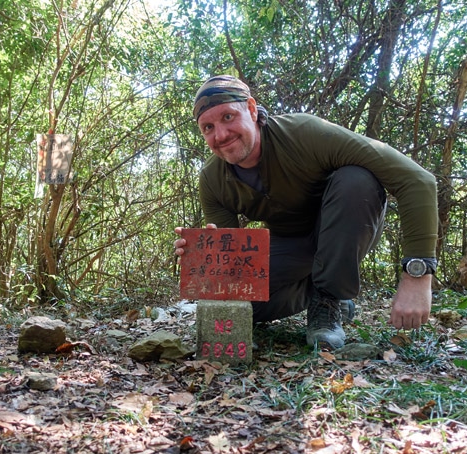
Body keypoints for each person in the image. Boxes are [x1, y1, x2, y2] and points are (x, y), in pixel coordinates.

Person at [174, 75, 438, 350]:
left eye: (228, 117)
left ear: (251, 109)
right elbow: (233, 273)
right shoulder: (212, 179)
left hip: (344, 229)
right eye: (208, 127)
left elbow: (417, 180)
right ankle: (315, 290)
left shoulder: (306, 133)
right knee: (246, 306)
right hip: (291, 245)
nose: (221, 135)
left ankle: (328, 299)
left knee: (357, 179)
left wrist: (417, 276)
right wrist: (204, 257)